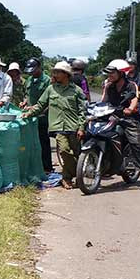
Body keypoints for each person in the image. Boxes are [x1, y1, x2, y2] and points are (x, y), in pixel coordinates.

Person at [23, 61, 87, 189]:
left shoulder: (77, 90)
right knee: (63, 151)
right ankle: (70, 176)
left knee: (77, 153)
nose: (55, 75)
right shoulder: (50, 89)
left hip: (73, 126)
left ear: (66, 74)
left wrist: (81, 127)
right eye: (55, 72)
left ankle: (71, 176)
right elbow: (41, 105)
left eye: (58, 72)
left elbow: (82, 111)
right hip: (58, 127)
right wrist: (28, 114)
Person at [103, 59, 140, 189]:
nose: (109, 76)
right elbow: (104, 101)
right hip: (113, 116)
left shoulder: (131, 85)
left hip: (129, 118)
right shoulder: (109, 86)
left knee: (136, 143)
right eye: (108, 74)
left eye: (112, 73)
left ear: (120, 73)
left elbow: (134, 99)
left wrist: (130, 109)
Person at [24, 58, 54, 173]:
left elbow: (49, 100)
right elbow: (27, 95)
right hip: (30, 116)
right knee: (31, 142)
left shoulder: (47, 81)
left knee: (43, 142)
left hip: (42, 117)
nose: (31, 72)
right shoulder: (29, 80)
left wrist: (40, 111)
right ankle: (35, 165)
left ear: (39, 67)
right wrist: (25, 102)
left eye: (34, 70)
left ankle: (47, 167)